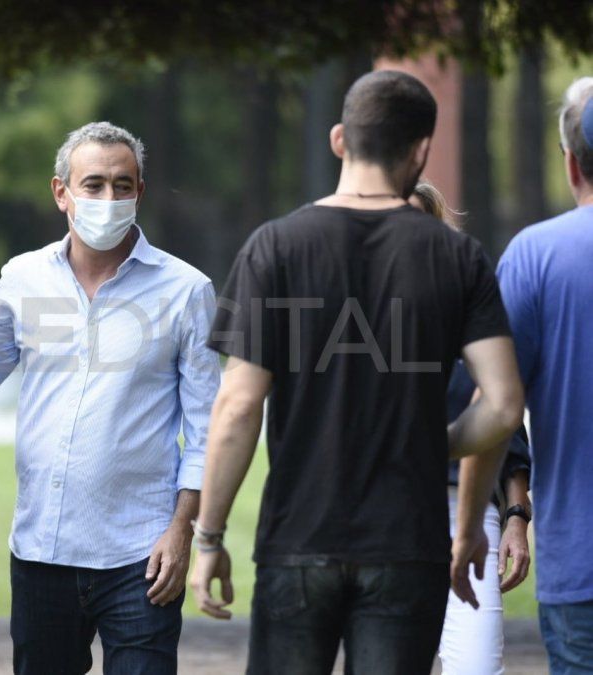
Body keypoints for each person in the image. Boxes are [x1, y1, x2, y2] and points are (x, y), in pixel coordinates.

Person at [190, 70, 525, 675]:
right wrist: (437, 452)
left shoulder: (272, 247)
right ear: (422, 149)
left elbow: (238, 406)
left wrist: (208, 539)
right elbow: (502, 406)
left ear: (339, 139)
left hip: (298, 538)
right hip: (408, 541)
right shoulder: (455, 255)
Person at [0, 121, 221, 674]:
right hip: (42, 549)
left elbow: (209, 430)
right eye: (93, 185)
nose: (109, 198)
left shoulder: (186, 292)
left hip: (143, 554)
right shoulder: (22, 278)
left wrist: (181, 532)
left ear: (140, 192)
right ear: (61, 192)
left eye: (122, 184)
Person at [410, 182, 532, 675]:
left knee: (477, 665)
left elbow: (508, 425)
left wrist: (517, 517)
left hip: (468, 504)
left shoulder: (472, 312)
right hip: (384, 510)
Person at [497, 78, 593, 673]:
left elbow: (499, 403)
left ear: (571, 162)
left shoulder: (534, 255)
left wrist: (509, 514)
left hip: (581, 561)